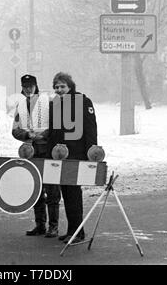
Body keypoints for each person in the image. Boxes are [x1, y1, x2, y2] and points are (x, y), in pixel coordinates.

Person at [47, 72, 98, 244]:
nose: (59, 90)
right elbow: (54, 132)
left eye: (62, 86)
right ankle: (72, 230)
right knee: (66, 194)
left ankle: (77, 232)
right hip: (60, 156)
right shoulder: (55, 103)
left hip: (77, 154)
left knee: (73, 193)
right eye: (56, 87)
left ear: (70, 86)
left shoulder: (83, 101)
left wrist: (91, 152)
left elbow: (91, 129)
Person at [12, 74, 61, 238]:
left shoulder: (48, 103)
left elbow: (56, 126)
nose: (28, 88)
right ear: (22, 87)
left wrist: (44, 134)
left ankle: (53, 226)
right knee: (36, 189)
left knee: (52, 189)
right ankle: (40, 225)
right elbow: (15, 130)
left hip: (47, 150)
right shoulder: (20, 105)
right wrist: (27, 135)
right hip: (30, 152)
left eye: (31, 85)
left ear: (36, 85)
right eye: (25, 86)